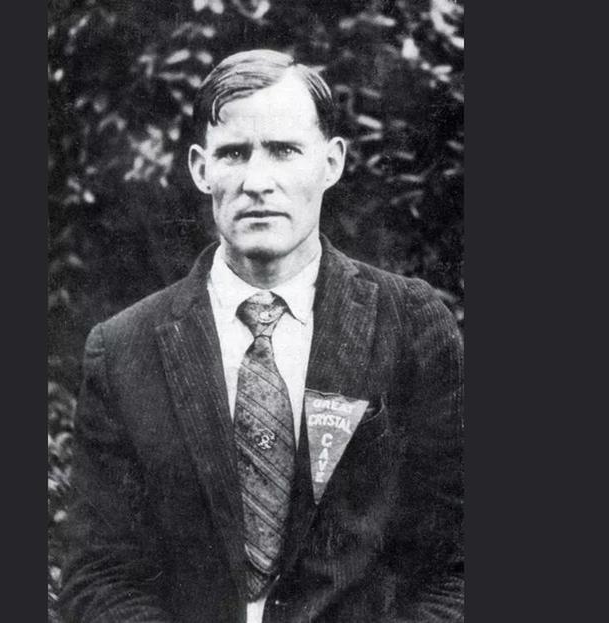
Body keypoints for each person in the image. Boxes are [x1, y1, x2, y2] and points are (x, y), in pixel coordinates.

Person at [58, 49, 464, 623]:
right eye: (233, 154)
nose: (256, 182)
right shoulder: (124, 348)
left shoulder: (410, 324)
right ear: (201, 169)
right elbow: (98, 578)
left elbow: (456, 567)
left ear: (332, 162)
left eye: (283, 150)